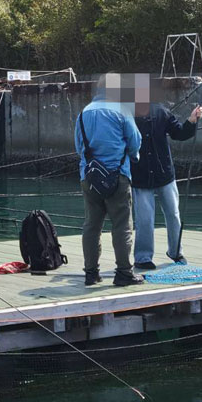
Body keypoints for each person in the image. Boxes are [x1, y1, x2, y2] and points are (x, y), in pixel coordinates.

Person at [75, 75, 143, 287]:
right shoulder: (121, 110)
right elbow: (135, 141)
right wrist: (133, 157)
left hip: (89, 177)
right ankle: (124, 273)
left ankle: (91, 273)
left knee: (91, 225)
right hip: (117, 176)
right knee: (122, 225)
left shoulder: (84, 112)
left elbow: (79, 146)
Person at [131, 92, 202, 269]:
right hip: (140, 176)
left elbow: (179, 133)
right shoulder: (126, 115)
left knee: (173, 214)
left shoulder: (161, 112)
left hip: (165, 175)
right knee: (144, 219)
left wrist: (192, 120)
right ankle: (143, 258)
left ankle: (176, 252)